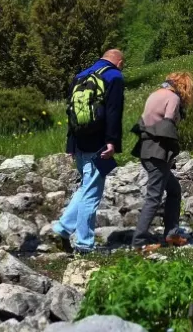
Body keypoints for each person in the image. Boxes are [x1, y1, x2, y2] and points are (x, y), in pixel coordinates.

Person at [52, 49, 125, 253]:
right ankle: (84, 244)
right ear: (118, 63)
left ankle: (62, 228)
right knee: (91, 194)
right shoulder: (114, 76)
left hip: (80, 141)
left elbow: (71, 111)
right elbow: (113, 112)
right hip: (99, 143)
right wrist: (112, 142)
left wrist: (70, 145)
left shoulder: (80, 76)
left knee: (86, 187)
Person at [131, 72, 193, 250]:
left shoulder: (154, 94)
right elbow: (167, 124)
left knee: (174, 190)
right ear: (184, 87)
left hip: (146, 150)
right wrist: (173, 148)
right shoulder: (173, 98)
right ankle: (139, 241)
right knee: (154, 197)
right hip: (158, 152)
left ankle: (172, 234)